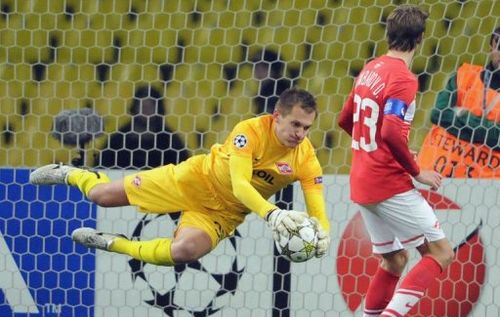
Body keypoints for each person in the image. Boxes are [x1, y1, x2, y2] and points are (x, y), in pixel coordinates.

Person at [30, 88, 330, 269]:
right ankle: (73, 173)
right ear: (276, 115)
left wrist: (323, 234)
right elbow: (240, 183)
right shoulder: (249, 131)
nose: (300, 134)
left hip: (223, 213)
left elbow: (316, 206)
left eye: (306, 128)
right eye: (295, 124)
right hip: (194, 180)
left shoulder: (305, 157)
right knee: (101, 197)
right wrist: (272, 214)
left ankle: (112, 243)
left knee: (183, 251)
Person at [338, 5, 454, 317]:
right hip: (389, 183)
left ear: (388, 34)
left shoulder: (370, 69)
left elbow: (345, 120)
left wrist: (371, 146)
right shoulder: (404, 78)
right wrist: (415, 168)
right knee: (440, 253)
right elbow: (389, 130)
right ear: (420, 39)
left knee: (393, 259)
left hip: (362, 179)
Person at [417, 27, 499, 178]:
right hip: (434, 174)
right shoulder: (465, 74)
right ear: (491, 48)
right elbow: (438, 114)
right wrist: (486, 132)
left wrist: (462, 115)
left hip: (485, 186)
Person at [96, 85, 190, 169]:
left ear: (158, 109)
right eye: (143, 107)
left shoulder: (170, 141)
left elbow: (182, 169)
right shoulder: (119, 139)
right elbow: (102, 166)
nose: (146, 111)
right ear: (135, 107)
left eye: (150, 107)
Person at [252, 49, 293, 115]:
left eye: (264, 66)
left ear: (274, 68)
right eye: (256, 65)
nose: (258, 70)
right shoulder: (263, 89)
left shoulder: (279, 90)